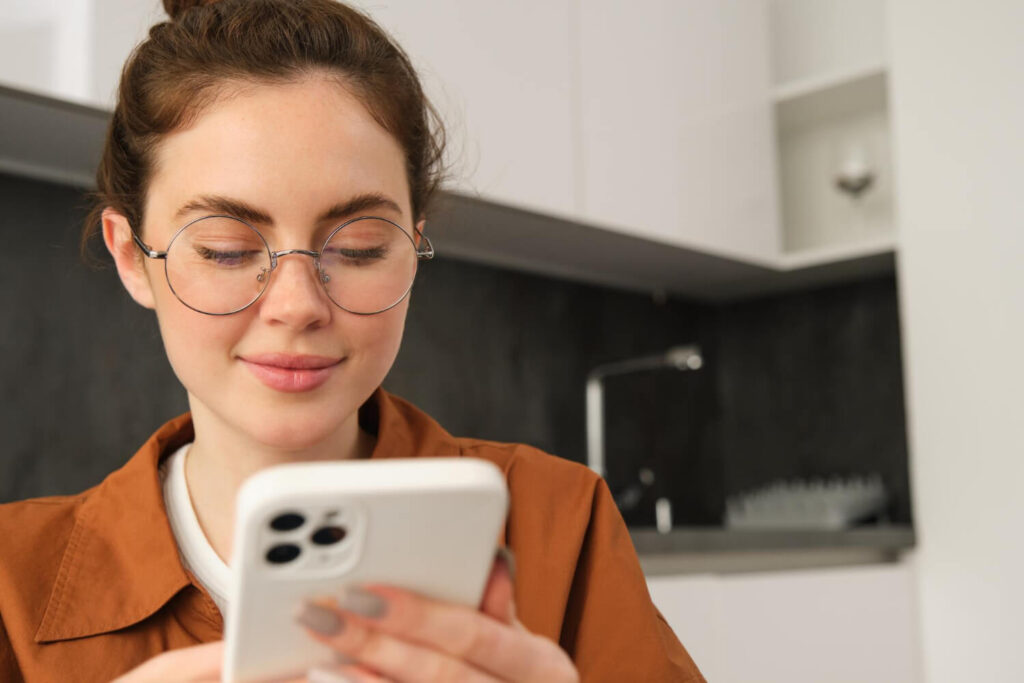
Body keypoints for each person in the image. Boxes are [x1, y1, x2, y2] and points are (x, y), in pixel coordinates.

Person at [0, 1, 705, 681]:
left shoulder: (560, 520)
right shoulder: (12, 577)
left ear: (414, 247)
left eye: (361, 248)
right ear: (132, 258)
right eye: (221, 249)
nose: (298, 305)